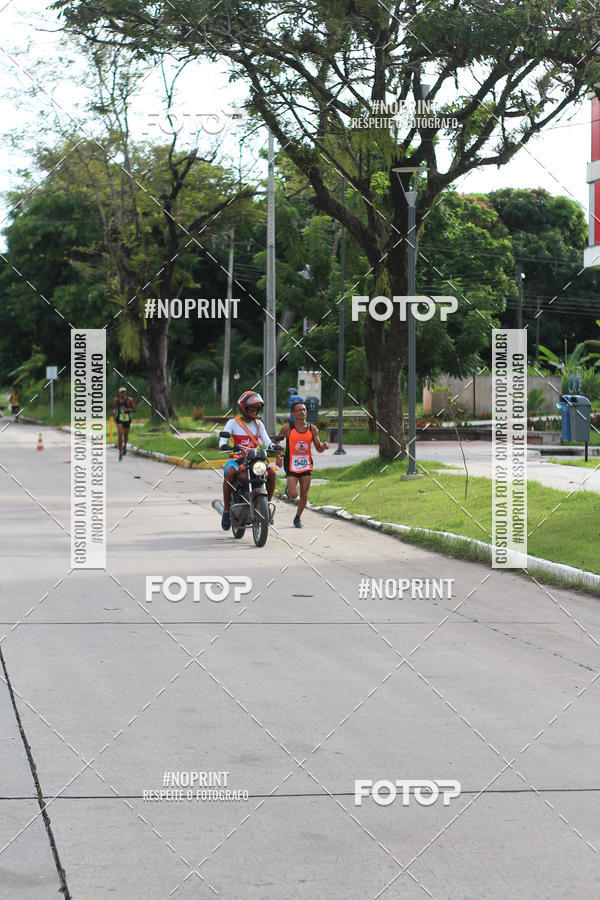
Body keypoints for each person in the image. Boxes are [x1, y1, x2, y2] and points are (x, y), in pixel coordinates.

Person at [219, 390, 279, 531]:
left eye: (255, 409)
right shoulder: (233, 423)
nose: (253, 412)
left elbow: (267, 441)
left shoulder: (259, 424)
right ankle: (226, 511)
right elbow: (222, 440)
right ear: (244, 408)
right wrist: (225, 445)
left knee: (272, 473)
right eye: (251, 409)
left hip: (255, 461)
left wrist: (274, 446)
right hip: (237, 460)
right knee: (230, 473)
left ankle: (267, 506)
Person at [277, 400, 328, 528]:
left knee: (304, 494)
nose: (303, 412)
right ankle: (289, 490)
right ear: (293, 413)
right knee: (294, 495)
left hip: (306, 465)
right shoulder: (287, 428)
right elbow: (276, 442)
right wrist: (278, 457)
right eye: (299, 410)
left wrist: (323, 446)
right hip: (291, 464)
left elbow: (318, 449)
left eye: (304, 410)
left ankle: (297, 518)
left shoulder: (312, 429)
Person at [111, 387, 136, 461]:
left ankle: (124, 445)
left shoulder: (129, 400)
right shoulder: (116, 400)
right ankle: (120, 452)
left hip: (127, 419)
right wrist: (114, 411)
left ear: (125, 392)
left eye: (124, 392)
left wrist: (127, 409)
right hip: (119, 419)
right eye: (121, 392)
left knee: (125, 435)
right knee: (120, 434)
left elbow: (135, 410)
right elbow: (113, 408)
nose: (123, 393)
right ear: (119, 393)